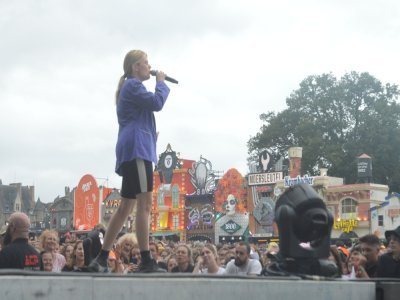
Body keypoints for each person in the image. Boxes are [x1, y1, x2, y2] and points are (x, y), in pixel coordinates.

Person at [88, 49, 170, 273]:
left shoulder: (127, 88)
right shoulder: (134, 86)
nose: (149, 67)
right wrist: (161, 83)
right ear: (136, 67)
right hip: (138, 150)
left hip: (131, 148)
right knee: (144, 205)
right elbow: (156, 102)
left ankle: (102, 258)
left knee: (125, 207)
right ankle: (146, 260)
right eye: (146, 63)